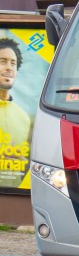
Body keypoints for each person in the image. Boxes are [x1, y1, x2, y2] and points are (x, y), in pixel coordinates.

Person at [0, 38, 31, 188]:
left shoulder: (23, 117)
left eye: (13, 63)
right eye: (2, 61)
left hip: (15, 196)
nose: (9, 68)